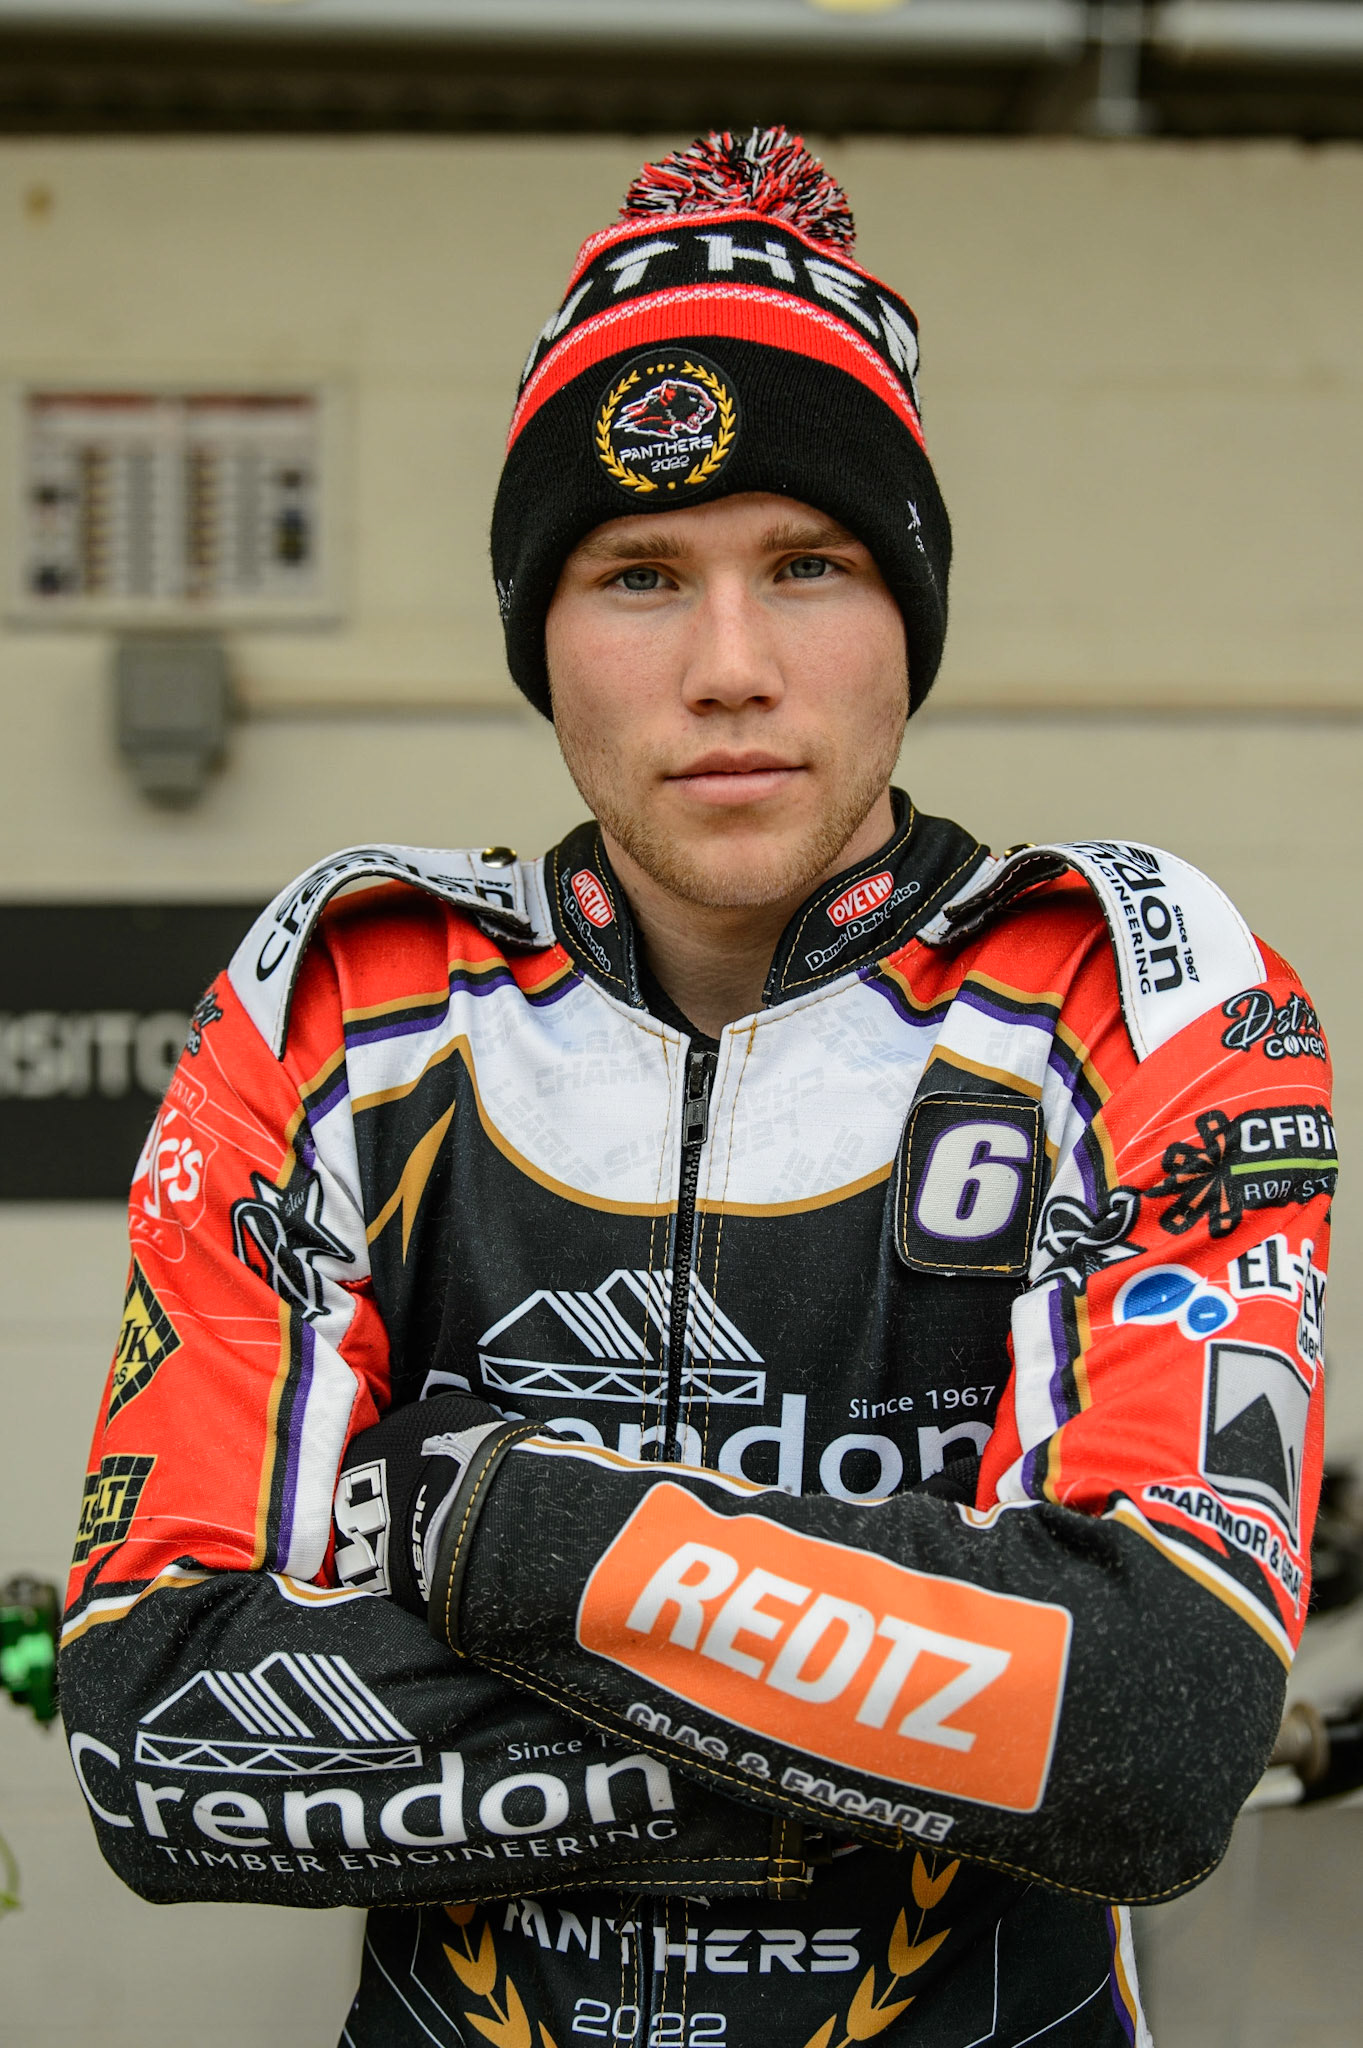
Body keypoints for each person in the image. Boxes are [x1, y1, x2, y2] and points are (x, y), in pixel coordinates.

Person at [62, 130, 1333, 2048]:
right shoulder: (341, 1006)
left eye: (808, 565)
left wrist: (479, 1525)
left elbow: (1155, 1743)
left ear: (909, 612)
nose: (730, 669)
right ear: (540, 637)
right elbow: (156, 1739)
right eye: (639, 573)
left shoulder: (1133, 994)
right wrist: (934, 1721)